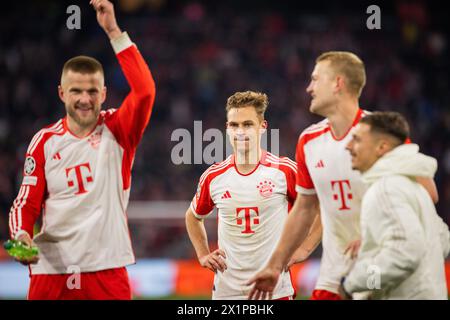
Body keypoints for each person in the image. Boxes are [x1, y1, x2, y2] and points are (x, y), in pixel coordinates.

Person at [247, 51, 439, 300]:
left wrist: (373, 234)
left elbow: (427, 193)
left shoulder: (382, 133)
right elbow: (305, 207)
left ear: (338, 83)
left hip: (383, 269)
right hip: (334, 273)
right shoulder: (309, 141)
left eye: (315, 79)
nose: (308, 88)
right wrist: (276, 264)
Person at [7, 0, 156, 300]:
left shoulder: (119, 129)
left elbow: (145, 91)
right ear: (62, 93)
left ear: (103, 93)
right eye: (76, 90)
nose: (84, 99)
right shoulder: (44, 142)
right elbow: (26, 203)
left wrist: (114, 31)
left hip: (107, 269)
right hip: (52, 272)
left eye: (91, 91)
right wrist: (21, 233)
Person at [185, 91, 322, 300]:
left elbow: (320, 207)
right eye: (234, 125)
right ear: (227, 129)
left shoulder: (285, 171)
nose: (240, 132)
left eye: (248, 124)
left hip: (275, 291)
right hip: (226, 292)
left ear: (262, 127)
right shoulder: (214, 177)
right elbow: (193, 216)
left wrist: (303, 249)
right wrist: (203, 254)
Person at [338, 111, 449, 299]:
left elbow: (404, 253)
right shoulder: (411, 185)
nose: (348, 146)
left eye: (357, 140)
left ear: (381, 147)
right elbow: (442, 241)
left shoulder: (386, 188)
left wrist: (353, 282)